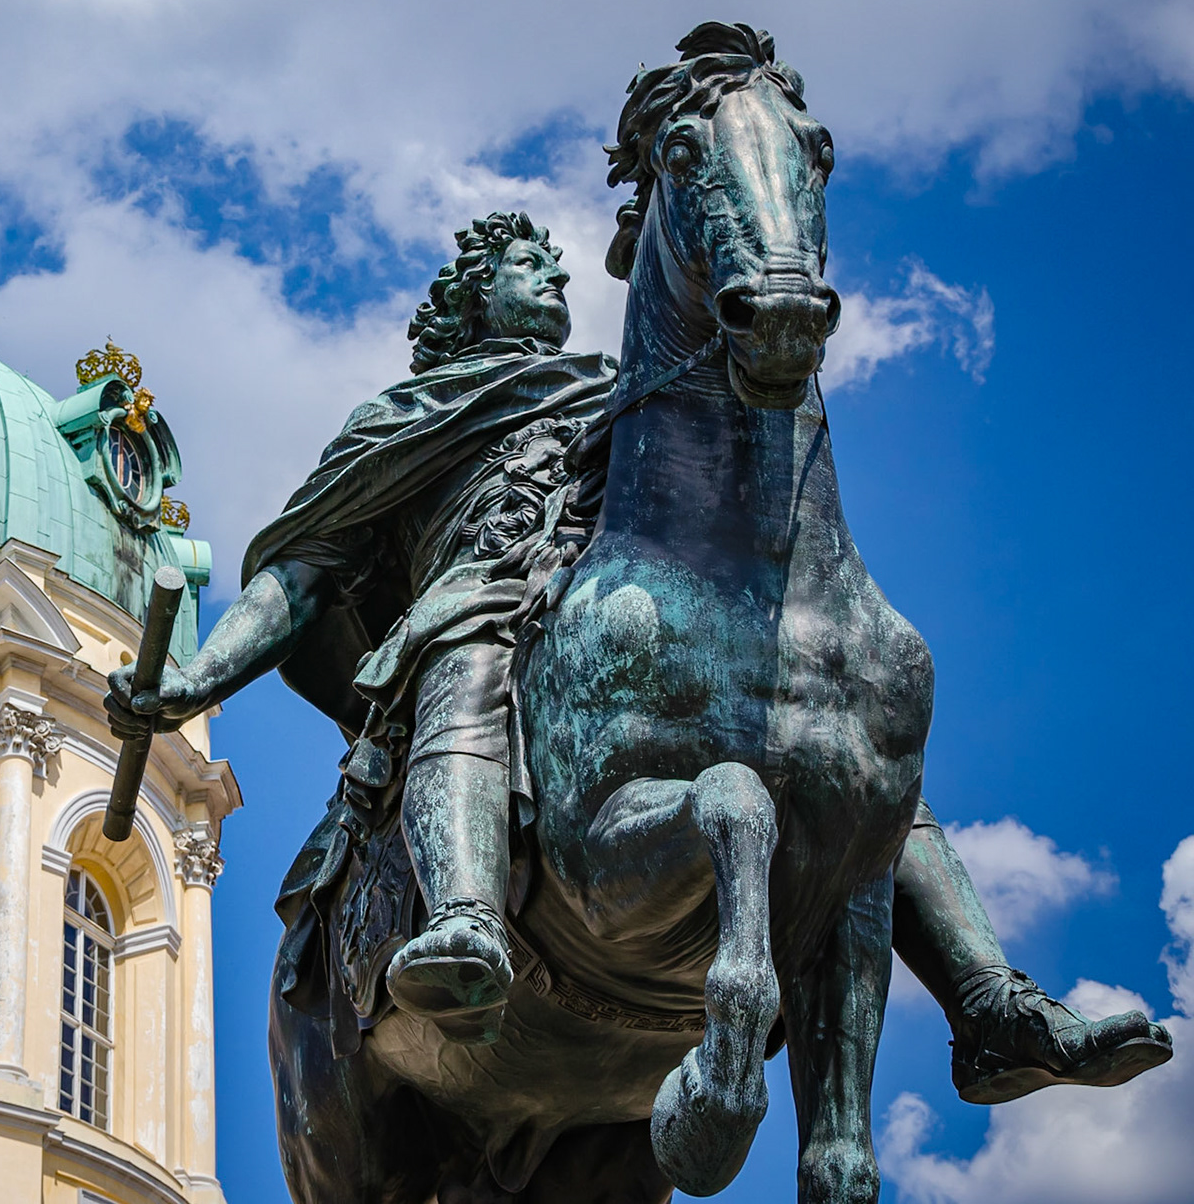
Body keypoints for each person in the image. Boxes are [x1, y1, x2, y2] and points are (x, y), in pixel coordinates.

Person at [109, 211, 1171, 1097]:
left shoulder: (619, 386)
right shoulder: (408, 417)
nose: (556, 272)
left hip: (621, 612)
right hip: (486, 602)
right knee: (464, 656)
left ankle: (989, 1004)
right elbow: (301, 575)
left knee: (846, 732)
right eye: (528, 264)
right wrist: (196, 677)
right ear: (472, 297)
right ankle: (472, 922)